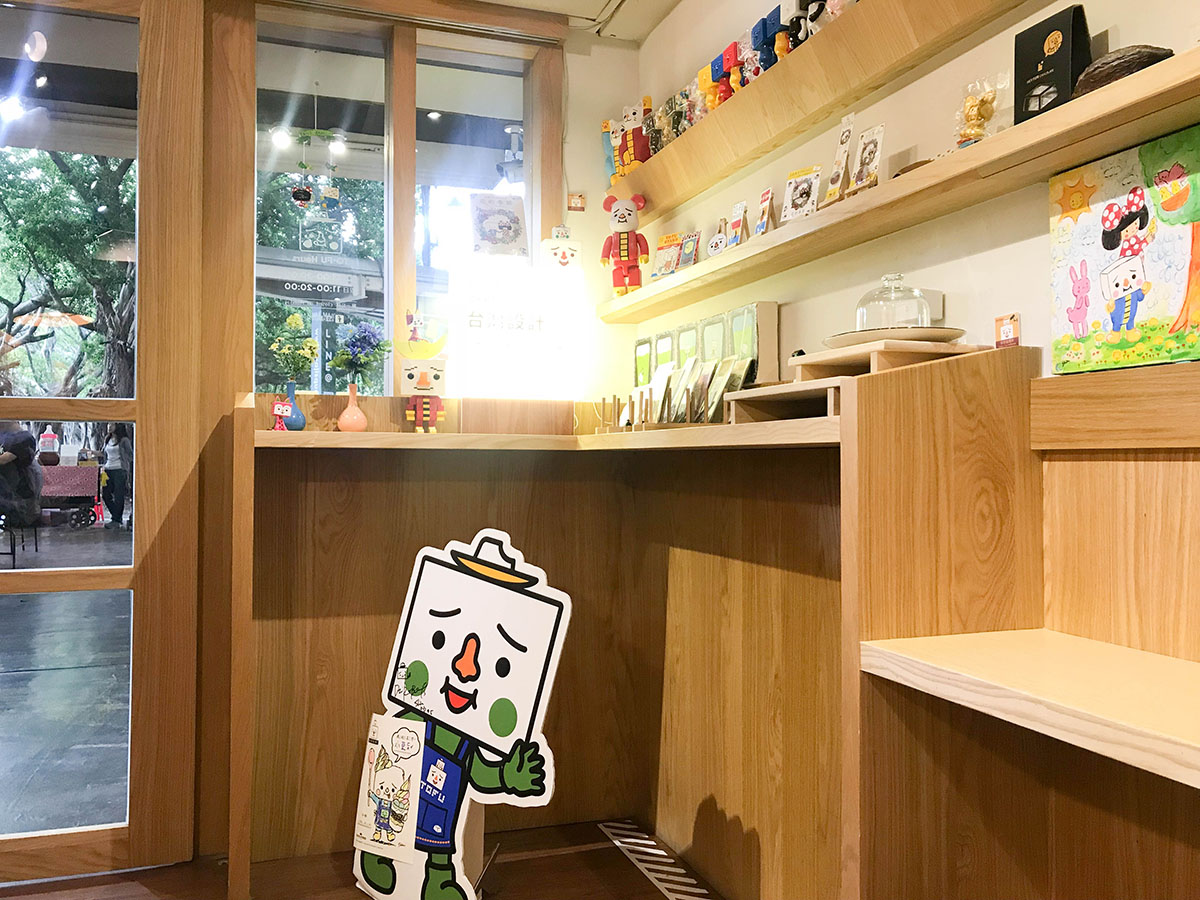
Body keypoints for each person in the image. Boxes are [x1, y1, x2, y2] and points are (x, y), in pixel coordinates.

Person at [99, 423, 133, 530]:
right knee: (105, 495)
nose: (109, 426)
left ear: (118, 426)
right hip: (108, 470)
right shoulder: (107, 439)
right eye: (108, 424)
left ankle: (116, 520)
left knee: (119, 496)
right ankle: (117, 517)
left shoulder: (124, 440)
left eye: (112, 424)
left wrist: (125, 464)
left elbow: (131, 455)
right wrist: (89, 452)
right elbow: (103, 453)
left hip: (119, 470)